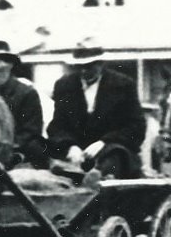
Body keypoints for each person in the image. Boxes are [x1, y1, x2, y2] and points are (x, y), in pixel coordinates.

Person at [46, 43, 146, 179]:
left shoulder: (123, 85)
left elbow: (136, 127)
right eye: (79, 66)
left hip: (113, 151)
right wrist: (70, 146)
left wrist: (103, 143)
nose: (83, 71)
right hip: (75, 154)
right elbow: (57, 126)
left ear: (101, 64)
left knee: (111, 165)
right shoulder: (64, 86)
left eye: (89, 66)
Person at [0, 39, 45, 168]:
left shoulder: (26, 93)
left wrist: (3, 148)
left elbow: (30, 132)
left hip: (14, 150)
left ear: (10, 64)